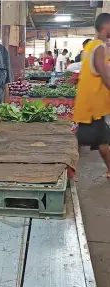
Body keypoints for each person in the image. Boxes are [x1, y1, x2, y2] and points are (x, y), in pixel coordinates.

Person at [73, 13, 110, 178]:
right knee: (78, 143)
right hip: (94, 107)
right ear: (106, 26)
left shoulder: (89, 47)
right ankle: (67, 173)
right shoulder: (99, 48)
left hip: (88, 105)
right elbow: (105, 75)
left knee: (102, 141)